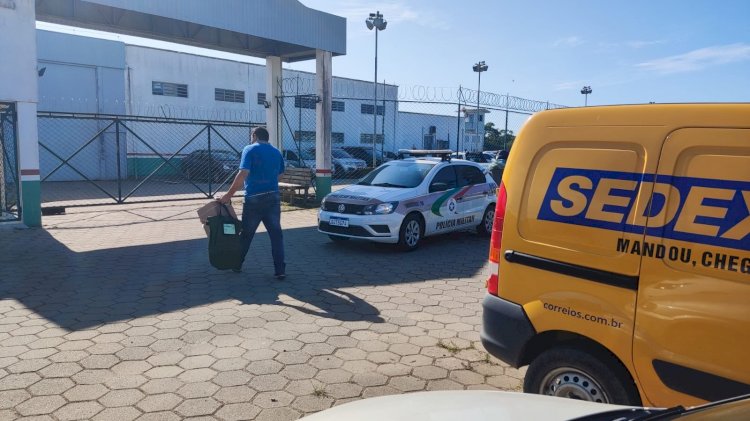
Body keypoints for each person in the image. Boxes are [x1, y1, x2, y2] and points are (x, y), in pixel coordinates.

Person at [218, 127, 286, 279]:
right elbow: (281, 174)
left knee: (247, 234)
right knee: (276, 235)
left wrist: (228, 195)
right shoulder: (276, 152)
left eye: (251, 136)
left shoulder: (249, 149)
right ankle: (280, 270)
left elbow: (243, 173)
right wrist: (269, 181)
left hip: (254, 198)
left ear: (255, 136)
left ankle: (237, 264)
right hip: (273, 197)